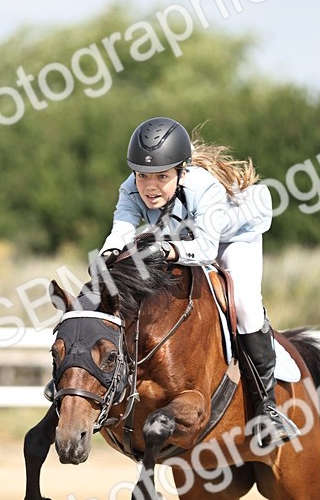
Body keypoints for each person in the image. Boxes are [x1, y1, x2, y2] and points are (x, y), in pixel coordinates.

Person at [98, 116, 298, 449]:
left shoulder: (204, 188)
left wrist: (165, 248)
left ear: (181, 172)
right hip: (184, 236)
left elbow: (205, 249)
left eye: (162, 176)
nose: (149, 187)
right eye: (143, 175)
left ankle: (267, 410)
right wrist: (107, 257)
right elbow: (121, 231)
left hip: (234, 238)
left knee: (245, 304)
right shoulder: (129, 189)